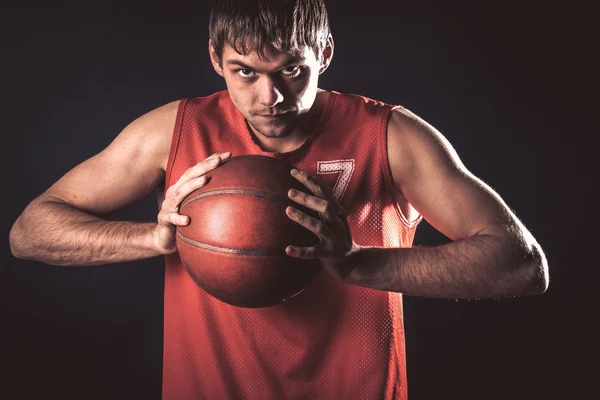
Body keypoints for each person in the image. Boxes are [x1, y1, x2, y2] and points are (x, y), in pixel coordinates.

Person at [9, 0, 549, 399]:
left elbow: (522, 266)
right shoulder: (172, 132)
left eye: (292, 70)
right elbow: (29, 232)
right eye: (246, 71)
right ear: (216, 59)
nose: (270, 97)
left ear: (325, 54)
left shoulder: (391, 136)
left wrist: (356, 263)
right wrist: (152, 237)